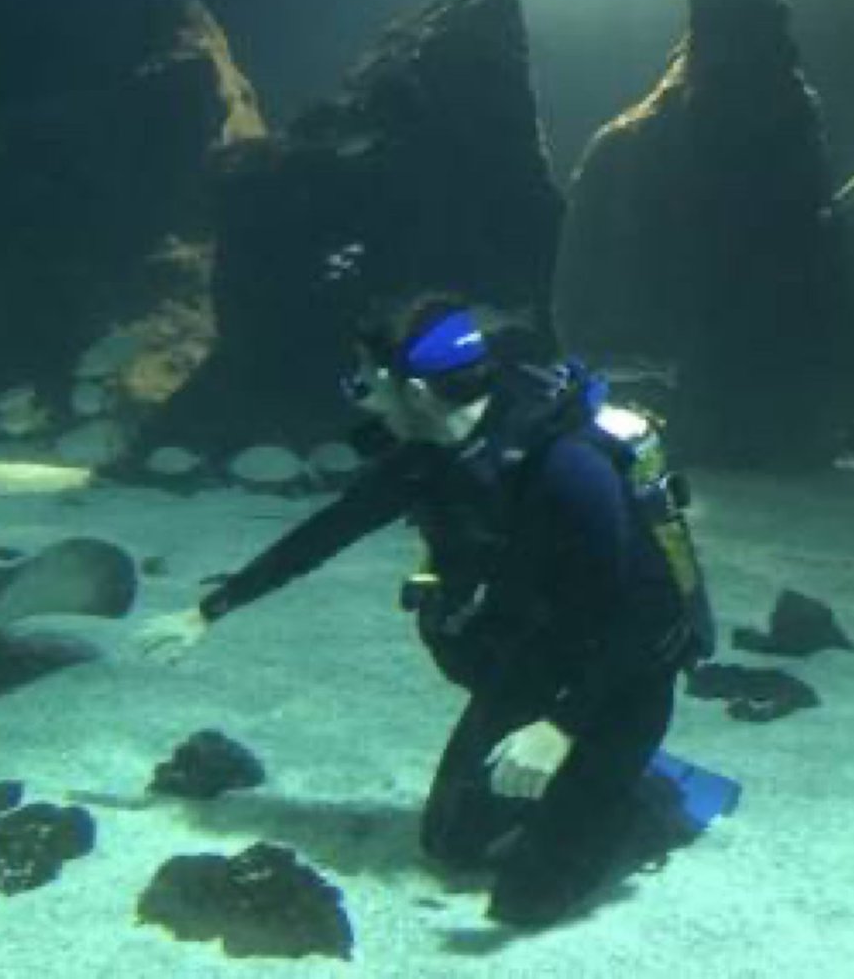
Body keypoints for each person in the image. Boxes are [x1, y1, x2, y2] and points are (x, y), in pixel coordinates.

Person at [135, 293, 714, 927]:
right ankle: (579, 776)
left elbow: (647, 617)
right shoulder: (433, 457)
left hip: (627, 675)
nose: (363, 400)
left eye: (367, 381)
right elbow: (327, 532)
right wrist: (208, 611)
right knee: (452, 845)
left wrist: (562, 727)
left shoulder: (569, 465)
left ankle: (646, 795)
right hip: (546, 653)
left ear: (413, 390)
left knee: (526, 903)